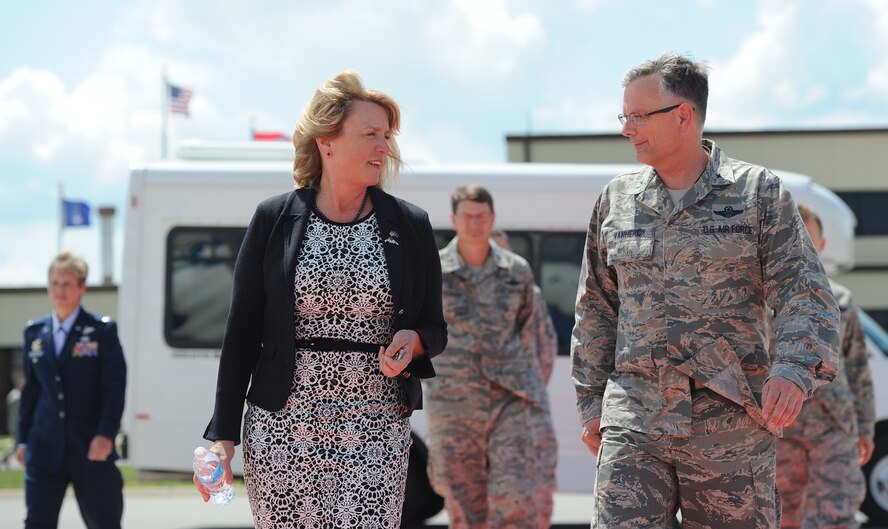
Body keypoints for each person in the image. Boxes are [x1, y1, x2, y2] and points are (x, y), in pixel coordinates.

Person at [570, 52, 840, 529]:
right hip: (636, 418)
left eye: (637, 116)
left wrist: (794, 367)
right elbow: (596, 306)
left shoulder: (758, 194)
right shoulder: (617, 199)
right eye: (624, 116)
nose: (626, 128)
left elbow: (804, 291)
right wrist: (592, 401)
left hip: (729, 424)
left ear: (683, 115)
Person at [197, 70, 447, 529]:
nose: (383, 147)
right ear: (326, 142)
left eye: (386, 136)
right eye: (370, 134)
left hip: (375, 427)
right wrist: (222, 438)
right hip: (282, 428)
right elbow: (241, 335)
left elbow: (435, 327)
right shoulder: (274, 219)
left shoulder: (410, 224)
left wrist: (413, 340)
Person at [427, 185, 555, 528]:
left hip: (509, 401)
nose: (474, 223)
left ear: (493, 218)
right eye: (467, 215)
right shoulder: (432, 273)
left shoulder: (517, 271)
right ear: (454, 219)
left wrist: (529, 388)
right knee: (464, 506)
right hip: (454, 405)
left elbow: (533, 337)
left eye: (481, 215)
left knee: (516, 495)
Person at [775, 204, 875, 529]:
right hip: (781, 428)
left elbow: (858, 367)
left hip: (834, 427)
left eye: (809, 237)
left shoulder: (842, 299)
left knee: (837, 513)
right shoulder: (764, 298)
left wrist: (865, 427)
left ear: (823, 244)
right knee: (783, 514)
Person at [17, 250, 127, 529]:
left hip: (91, 448)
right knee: (37, 523)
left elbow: (114, 387)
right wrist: (23, 439)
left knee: (105, 523)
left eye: (66, 284)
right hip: (44, 447)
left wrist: (105, 434)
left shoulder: (101, 331)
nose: (59, 290)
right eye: (54, 283)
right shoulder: (34, 333)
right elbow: (30, 392)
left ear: (82, 287)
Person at [490, 229, 558, 523]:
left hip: (523, 413)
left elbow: (546, 350)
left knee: (533, 497)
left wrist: (526, 392)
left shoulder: (531, 294)